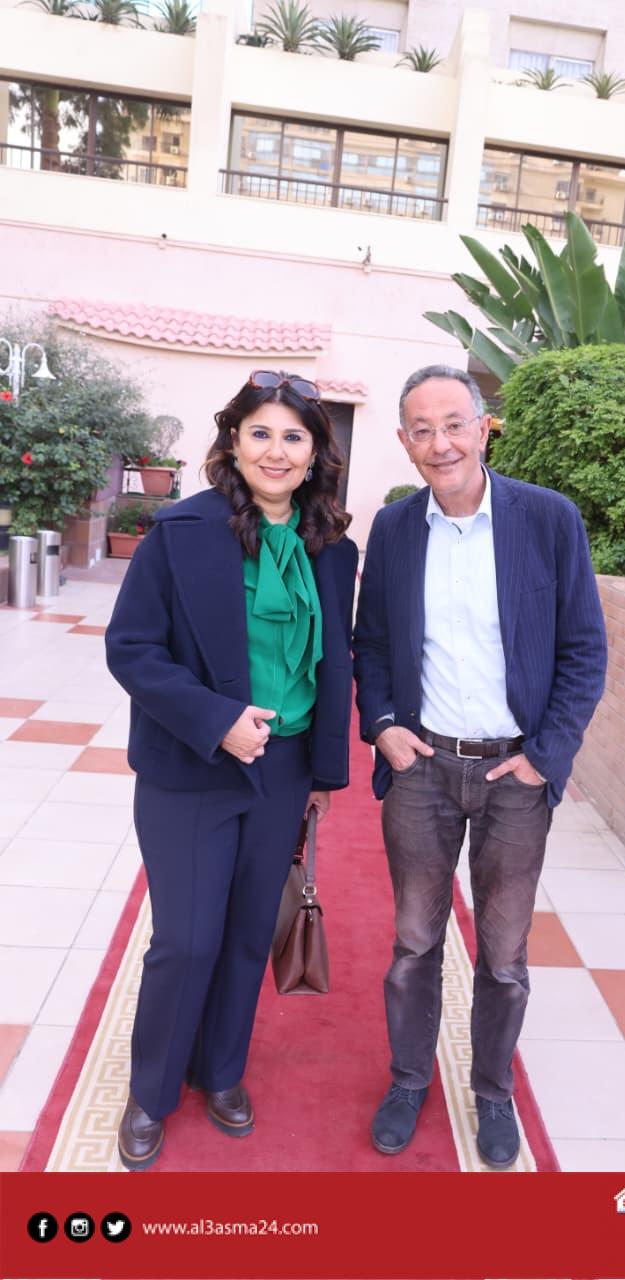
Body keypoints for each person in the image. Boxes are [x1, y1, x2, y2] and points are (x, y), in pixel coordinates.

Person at [353, 365, 607, 1169]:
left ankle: (492, 1091)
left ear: (484, 427)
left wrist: (545, 756)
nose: (441, 444)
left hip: (512, 778)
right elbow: (371, 644)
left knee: (502, 953)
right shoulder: (395, 529)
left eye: (454, 424)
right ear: (404, 441)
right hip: (422, 768)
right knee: (413, 941)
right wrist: (382, 726)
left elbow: (583, 649)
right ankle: (407, 1080)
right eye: (422, 430)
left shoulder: (546, 519)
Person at [106, 371, 358, 1171]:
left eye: (293, 436)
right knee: (186, 940)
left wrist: (322, 773)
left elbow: (336, 666)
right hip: (191, 765)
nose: (276, 451)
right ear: (234, 442)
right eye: (261, 434)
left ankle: (219, 1072)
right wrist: (217, 721)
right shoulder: (180, 531)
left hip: (283, 772)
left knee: (250, 931)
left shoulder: (334, 549)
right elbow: (131, 649)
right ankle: (151, 1093)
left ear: (315, 452)